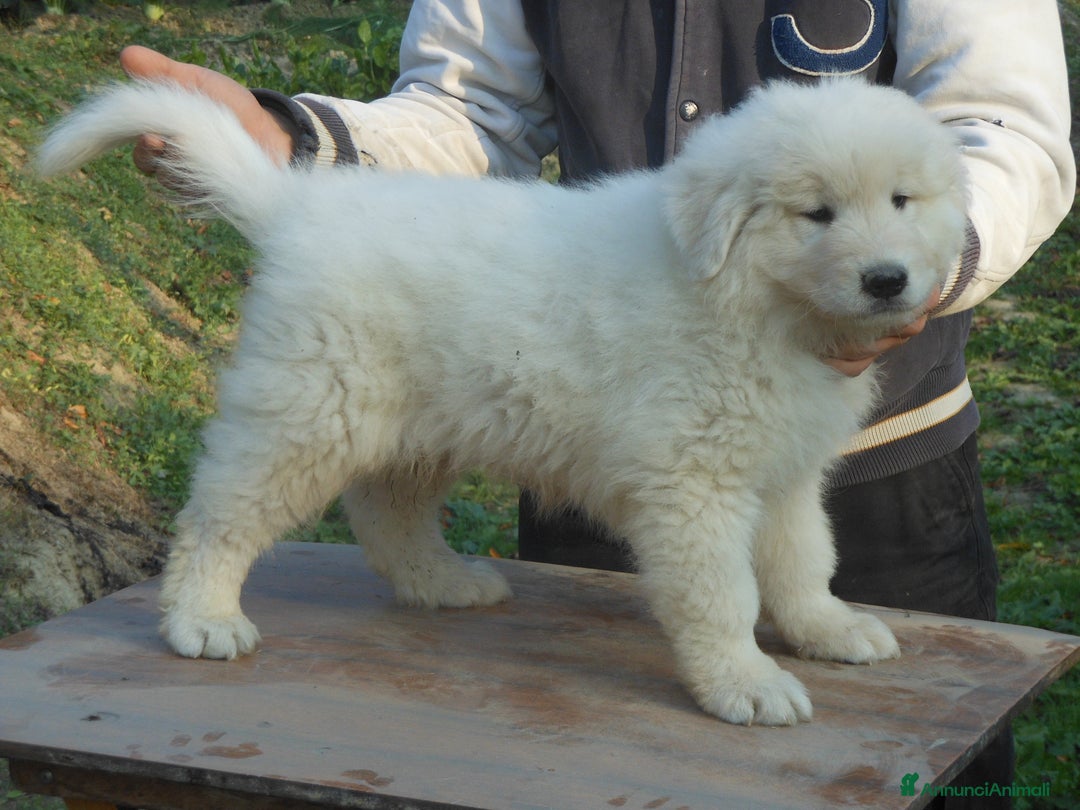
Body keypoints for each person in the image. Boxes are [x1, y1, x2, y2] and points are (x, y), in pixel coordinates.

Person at [119, 2, 1075, 806]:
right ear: (723, 225)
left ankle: (800, 604)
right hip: (390, 279)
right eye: (817, 215)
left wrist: (804, 608)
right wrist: (293, 143)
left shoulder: (838, 233)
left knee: (795, 506)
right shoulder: (698, 269)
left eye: (903, 205)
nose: (877, 253)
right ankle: (206, 573)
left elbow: (1003, 127)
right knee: (321, 436)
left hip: (911, 495)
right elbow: (468, 105)